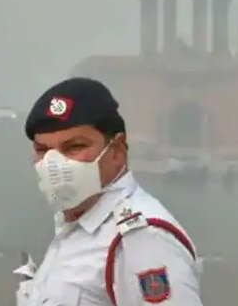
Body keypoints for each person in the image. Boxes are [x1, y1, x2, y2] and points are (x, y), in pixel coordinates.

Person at [18, 77, 202, 305]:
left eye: (75, 147)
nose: (54, 164)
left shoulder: (142, 240)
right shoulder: (77, 225)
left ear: (116, 151)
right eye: (43, 150)